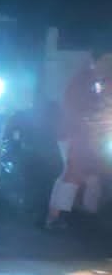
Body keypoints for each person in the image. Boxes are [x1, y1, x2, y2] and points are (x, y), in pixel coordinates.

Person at [46, 49, 112, 230]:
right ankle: (55, 216)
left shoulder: (102, 80)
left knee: (92, 174)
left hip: (92, 136)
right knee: (72, 172)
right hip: (75, 134)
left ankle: (87, 213)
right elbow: (76, 108)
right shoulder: (84, 81)